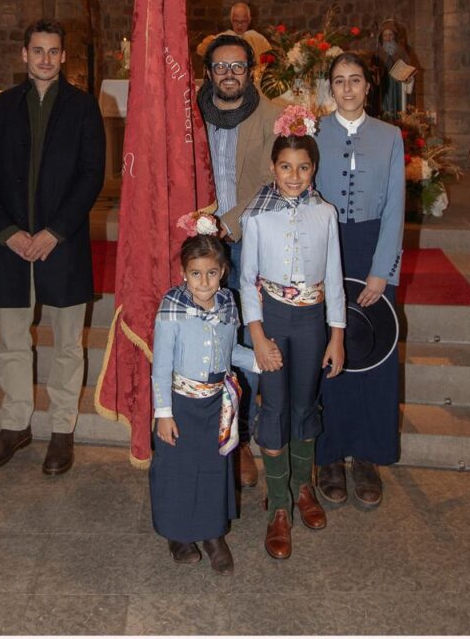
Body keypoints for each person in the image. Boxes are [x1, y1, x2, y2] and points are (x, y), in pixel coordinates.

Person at [0, 19, 105, 476]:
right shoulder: (0, 107)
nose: (45, 59)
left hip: (62, 243)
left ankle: (62, 428)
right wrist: (6, 231)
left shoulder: (83, 107)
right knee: (12, 340)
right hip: (11, 245)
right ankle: (14, 425)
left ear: (63, 56)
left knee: (68, 343)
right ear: (24, 54)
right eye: (38, 51)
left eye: (53, 51)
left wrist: (55, 231)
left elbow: (91, 175)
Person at [240, 117, 346, 559]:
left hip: (311, 321)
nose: (295, 176)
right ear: (273, 168)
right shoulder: (256, 216)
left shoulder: (326, 214)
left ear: (313, 169)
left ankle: (303, 487)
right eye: (286, 166)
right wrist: (258, 336)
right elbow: (247, 280)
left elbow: (334, 278)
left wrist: (336, 336)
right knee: (275, 408)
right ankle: (278, 505)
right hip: (273, 320)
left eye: (303, 167)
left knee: (305, 404)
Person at [314, 52, 405, 508]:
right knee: (327, 354)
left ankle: (367, 455)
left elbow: (395, 206)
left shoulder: (390, 137)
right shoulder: (312, 132)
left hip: (372, 249)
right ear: (330, 87)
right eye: (339, 81)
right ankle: (330, 454)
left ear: (369, 86)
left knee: (372, 353)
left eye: (355, 80)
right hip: (325, 247)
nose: (347, 88)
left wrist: (381, 272)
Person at [150, 234, 260, 575]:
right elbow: (161, 366)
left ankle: (213, 535)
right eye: (196, 273)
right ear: (184, 273)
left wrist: (261, 361)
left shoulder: (228, 303)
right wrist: (163, 413)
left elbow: (231, 352)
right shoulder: (172, 307)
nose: (204, 282)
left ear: (223, 271)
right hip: (181, 406)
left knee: (215, 470)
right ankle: (178, 535)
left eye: (211, 273)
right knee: (179, 471)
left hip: (217, 406)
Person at [196, 34, 278, 487]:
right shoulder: (191, 115)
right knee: (207, 334)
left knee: (247, 335)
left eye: (238, 67)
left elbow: (270, 182)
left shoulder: (269, 116)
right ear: (209, 72)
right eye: (221, 67)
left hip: (247, 241)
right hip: (199, 243)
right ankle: (209, 426)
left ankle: (243, 436)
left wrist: (227, 224)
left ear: (251, 71)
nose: (229, 75)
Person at [196, 2, 271, 63]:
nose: (239, 25)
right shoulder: (221, 38)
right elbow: (201, 50)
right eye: (236, 21)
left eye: (243, 21)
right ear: (231, 20)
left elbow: (270, 62)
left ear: (249, 20)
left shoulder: (259, 40)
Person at [375, 19, 414, 115]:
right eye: (385, 35)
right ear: (381, 38)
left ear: (394, 36)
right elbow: (374, 69)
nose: (388, 38)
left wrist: (407, 76)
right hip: (384, 85)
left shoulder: (401, 51)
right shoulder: (378, 53)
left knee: (399, 106)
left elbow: (409, 67)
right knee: (384, 106)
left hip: (398, 85)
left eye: (390, 35)